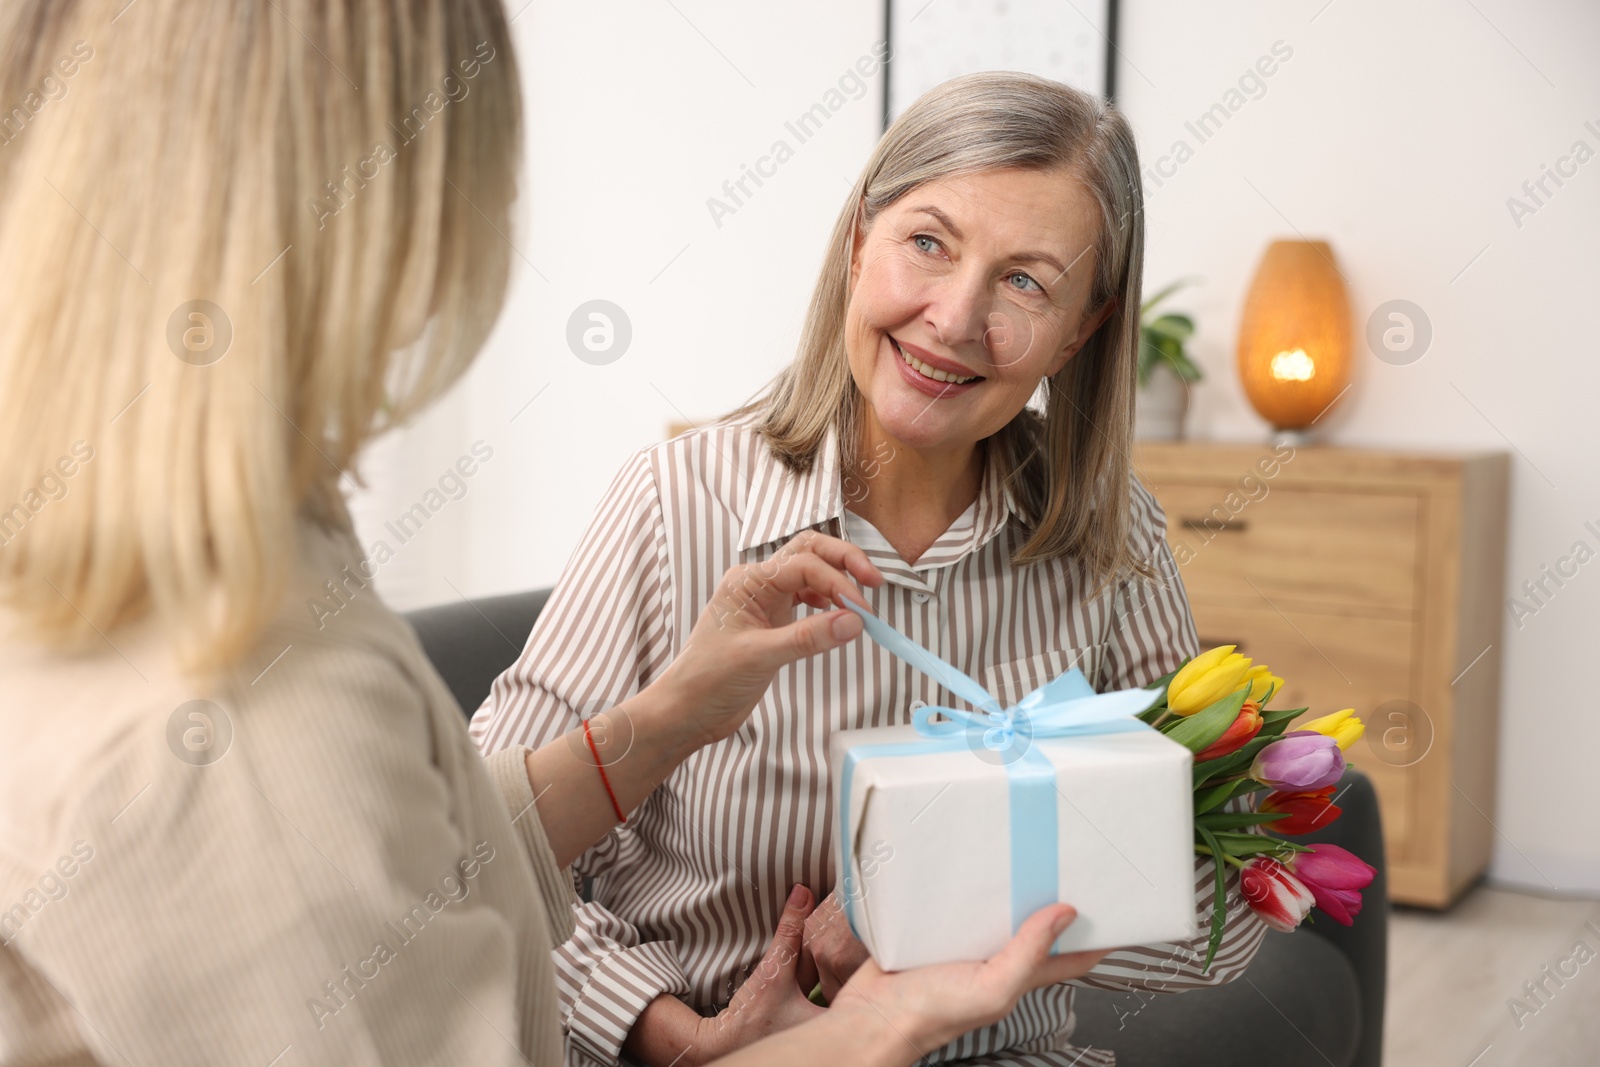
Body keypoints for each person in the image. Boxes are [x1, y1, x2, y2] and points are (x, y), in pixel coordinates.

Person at [0, 4, 1113, 1064]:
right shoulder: (247, 712)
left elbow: (435, 848)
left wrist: (665, 719)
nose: (958, 316)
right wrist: (863, 1027)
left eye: (1023, 280)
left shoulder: (231, 539)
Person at [471, 71, 1270, 1067]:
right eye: (927, 242)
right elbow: (468, 859)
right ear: (858, 241)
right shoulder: (676, 501)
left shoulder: (1116, 540)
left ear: (1083, 328)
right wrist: (671, 1032)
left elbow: (1228, 918)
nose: (951, 316)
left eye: (1025, 281)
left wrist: (939, 893)